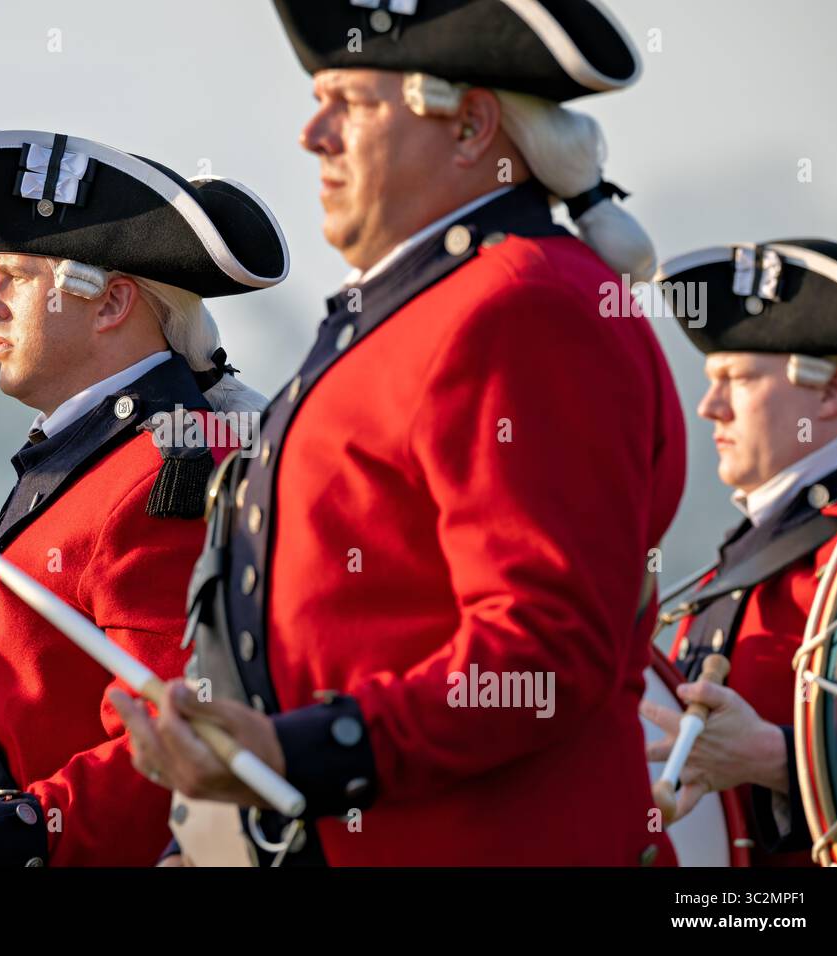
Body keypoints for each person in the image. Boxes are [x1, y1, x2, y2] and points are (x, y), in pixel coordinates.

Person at [113, 0, 688, 865]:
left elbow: (543, 650)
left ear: (468, 126)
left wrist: (301, 751)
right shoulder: (443, 300)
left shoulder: (522, 306)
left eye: (352, 101)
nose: (314, 132)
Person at [0, 129, 288, 866]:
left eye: (12, 276)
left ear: (112, 301)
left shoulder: (165, 469)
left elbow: (176, 744)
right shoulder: (100, 459)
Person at [644, 238, 837, 866]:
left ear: (832, 391)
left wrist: (772, 757)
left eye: (735, 379)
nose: (710, 407)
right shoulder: (745, 556)